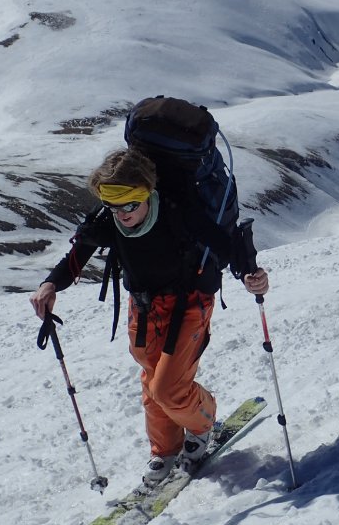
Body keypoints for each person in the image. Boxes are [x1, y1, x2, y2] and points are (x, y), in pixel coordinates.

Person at [30, 147, 269, 487]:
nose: (122, 213)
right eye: (113, 205)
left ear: (148, 192)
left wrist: (249, 274)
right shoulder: (109, 221)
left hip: (189, 304)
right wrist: (50, 285)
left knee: (168, 388)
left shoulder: (178, 214)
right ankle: (165, 449)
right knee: (151, 379)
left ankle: (203, 422)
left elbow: (225, 245)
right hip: (142, 308)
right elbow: (76, 255)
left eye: (130, 203)